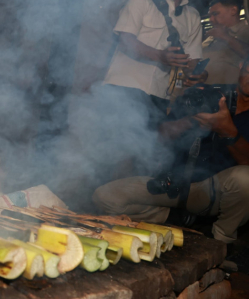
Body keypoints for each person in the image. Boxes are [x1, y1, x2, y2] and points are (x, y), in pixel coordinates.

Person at [93, 57, 249, 243]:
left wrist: (227, 130)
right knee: (105, 197)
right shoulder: (210, 93)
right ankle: (175, 219)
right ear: (241, 66)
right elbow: (160, 136)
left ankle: (222, 240)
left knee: (245, 179)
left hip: (217, 192)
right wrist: (192, 119)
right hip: (176, 183)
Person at [103, 0, 209, 124]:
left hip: (159, 96)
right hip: (124, 89)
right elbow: (125, 41)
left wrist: (198, 75)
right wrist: (160, 56)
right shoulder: (141, 1)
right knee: (112, 149)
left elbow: (192, 62)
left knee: (146, 151)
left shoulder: (192, 16)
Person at [203, 0, 249, 85]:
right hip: (204, 93)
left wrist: (225, 37)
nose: (211, 19)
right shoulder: (212, 36)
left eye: (215, 14)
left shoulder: (245, 31)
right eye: (210, 16)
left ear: (233, 10)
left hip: (230, 94)